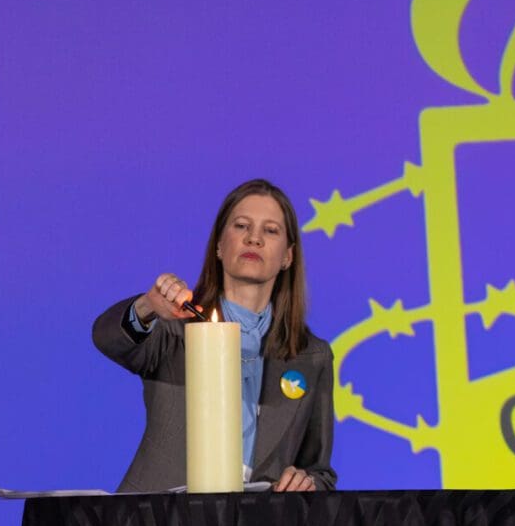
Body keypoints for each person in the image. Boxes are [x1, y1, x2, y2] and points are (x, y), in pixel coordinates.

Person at [92, 178, 336, 492]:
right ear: (219, 246)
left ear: (288, 256)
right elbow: (106, 337)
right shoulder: (174, 328)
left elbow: (319, 472)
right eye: (241, 226)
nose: (254, 239)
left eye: (270, 230)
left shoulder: (311, 356)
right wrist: (147, 306)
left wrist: (308, 482)